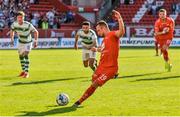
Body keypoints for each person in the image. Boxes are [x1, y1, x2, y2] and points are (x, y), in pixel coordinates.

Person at [73, 10, 125, 107]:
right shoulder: (105, 39)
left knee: (95, 84)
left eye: (98, 30)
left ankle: (78, 102)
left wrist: (119, 18)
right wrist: (96, 49)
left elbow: (121, 32)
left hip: (110, 68)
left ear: (103, 28)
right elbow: (103, 49)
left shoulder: (113, 34)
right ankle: (112, 75)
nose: (97, 32)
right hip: (101, 66)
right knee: (93, 81)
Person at [10, 11, 39, 78]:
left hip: (28, 42)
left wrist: (36, 41)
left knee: (26, 54)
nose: (20, 19)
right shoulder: (14, 24)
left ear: (23, 18)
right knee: (21, 56)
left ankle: (26, 72)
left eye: (21, 17)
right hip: (20, 42)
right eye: (19, 17)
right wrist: (12, 40)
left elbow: (36, 32)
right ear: (16, 18)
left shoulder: (28, 25)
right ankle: (23, 71)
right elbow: (12, 31)